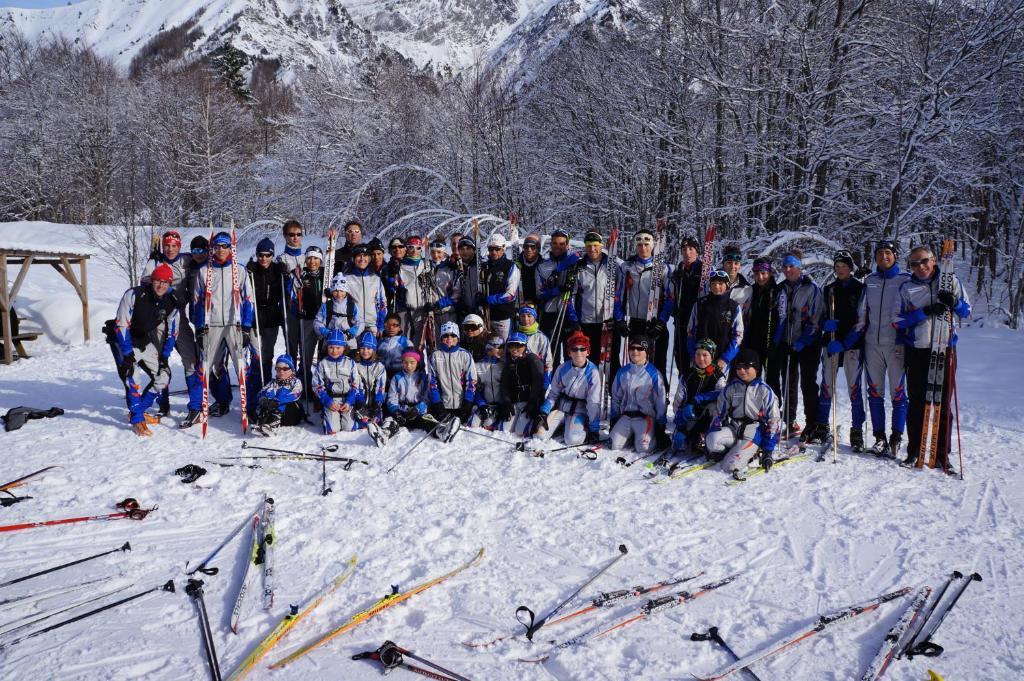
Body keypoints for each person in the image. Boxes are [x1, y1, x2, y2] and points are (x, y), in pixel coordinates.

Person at [894, 245, 970, 470]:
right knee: (917, 403)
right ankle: (915, 451)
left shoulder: (950, 281)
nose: (921, 267)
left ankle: (941, 455)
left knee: (942, 403)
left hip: (944, 349)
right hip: (917, 350)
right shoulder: (907, 287)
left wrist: (954, 303)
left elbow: (967, 311)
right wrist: (924, 312)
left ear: (934, 260)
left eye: (924, 261)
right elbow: (897, 320)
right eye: (915, 263)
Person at [852, 240, 910, 457]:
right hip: (872, 345)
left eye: (888, 253)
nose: (883, 257)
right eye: (879, 253)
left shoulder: (905, 280)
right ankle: (879, 438)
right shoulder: (871, 280)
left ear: (895, 255)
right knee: (875, 393)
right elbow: (862, 312)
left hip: (896, 345)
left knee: (898, 393)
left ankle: (896, 436)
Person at [193, 231, 255, 420]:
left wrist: (245, 326)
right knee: (212, 366)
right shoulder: (204, 271)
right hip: (212, 324)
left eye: (225, 246)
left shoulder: (240, 270)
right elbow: (196, 301)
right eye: (217, 246)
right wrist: (199, 327)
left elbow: (249, 300)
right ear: (213, 248)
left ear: (230, 248)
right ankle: (222, 401)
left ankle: (250, 406)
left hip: (234, 324)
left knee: (242, 366)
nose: (221, 250)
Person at [141, 229, 201, 420]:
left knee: (191, 359)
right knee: (160, 362)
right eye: (167, 245)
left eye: (174, 245)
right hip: (158, 319)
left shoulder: (185, 260)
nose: (170, 249)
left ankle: (196, 406)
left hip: (179, 317)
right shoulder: (155, 262)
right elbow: (144, 283)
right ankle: (163, 404)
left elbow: (204, 257)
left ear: (179, 246)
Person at [114, 264, 179, 436]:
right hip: (123, 341)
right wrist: (127, 354)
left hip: (143, 340)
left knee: (164, 375)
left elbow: (173, 332)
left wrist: (165, 356)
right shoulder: (135, 294)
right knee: (133, 378)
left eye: (165, 282)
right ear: (152, 280)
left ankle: (138, 411)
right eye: (158, 280)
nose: (161, 285)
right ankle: (137, 420)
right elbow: (121, 325)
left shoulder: (171, 302)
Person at [811, 250, 866, 448]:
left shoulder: (860, 289)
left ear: (851, 268)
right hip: (831, 342)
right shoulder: (829, 289)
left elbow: (862, 320)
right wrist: (826, 323)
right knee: (827, 385)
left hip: (852, 345)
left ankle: (857, 429)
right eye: (837, 267)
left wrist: (846, 342)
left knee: (854, 387)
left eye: (844, 266)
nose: (840, 270)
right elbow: (820, 316)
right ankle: (822, 425)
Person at [706, 348, 781, 480]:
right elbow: (719, 414)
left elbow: (774, 421)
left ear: (756, 368)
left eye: (746, 367)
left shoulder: (765, 391)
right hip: (734, 429)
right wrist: (712, 431)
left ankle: (752, 452)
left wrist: (768, 451)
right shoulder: (731, 388)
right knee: (711, 441)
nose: (741, 371)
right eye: (739, 367)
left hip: (752, 433)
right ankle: (729, 451)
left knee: (729, 466)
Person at [613, 228, 674, 378]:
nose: (643, 248)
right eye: (639, 244)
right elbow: (616, 296)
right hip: (635, 324)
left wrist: (661, 322)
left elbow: (670, 298)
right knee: (636, 365)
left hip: (655, 324)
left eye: (647, 244)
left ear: (653, 246)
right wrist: (620, 319)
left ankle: (661, 399)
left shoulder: (663, 268)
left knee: (658, 365)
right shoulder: (626, 267)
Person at [776, 251, 823, 440]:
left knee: (808, 383)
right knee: (789, 381)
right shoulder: (781, 289)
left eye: (791, 266)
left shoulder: (811, 288)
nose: (788, 270)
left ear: (799, 267)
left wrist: (804, 340)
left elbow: (817, 317)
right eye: (785, 266)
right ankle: (789, 420)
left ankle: (813, 422)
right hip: (787, 343)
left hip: (808, 344)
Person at [535, 331, 602, 446]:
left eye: (582, 349)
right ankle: (563, 426)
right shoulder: (562, 368)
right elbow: (553, 394)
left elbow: (593, 402)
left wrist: (594, 429)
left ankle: (579, 427)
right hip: (561, 409)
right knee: (539, 435)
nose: (578, 352)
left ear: (588, 352)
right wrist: (544, 412)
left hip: (579, 412)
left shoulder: (593, 372)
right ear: (569, 352)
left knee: (573, 440)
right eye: (574, 349)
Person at [609, 335, 669, 454]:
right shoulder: (622, 372)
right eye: (632, 348)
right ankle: (632, 435)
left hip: (645, 418)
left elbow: (660, 400)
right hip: (626, 417)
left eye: (640, 349)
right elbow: (616, 397)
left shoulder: (654, 374)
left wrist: (660, 424)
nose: (635, 351)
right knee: (614, 445)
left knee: (644, 449)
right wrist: (614, 418)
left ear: (647, 352)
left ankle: (645, 436)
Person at [567, 230, 615, 367]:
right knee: (586, 358)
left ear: (601, 245)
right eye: (588, 245)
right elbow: (571, 296)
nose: (592, 249)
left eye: (595, 245)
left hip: (606, 322)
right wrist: (574, 320)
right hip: (585, 321)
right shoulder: (579, 267)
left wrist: (616, 317)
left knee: (608, 359)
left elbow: (618, 294)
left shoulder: (612, 266)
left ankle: (608, 386)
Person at [671, 338, 727, 454]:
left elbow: (721, 394)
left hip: (709, 417)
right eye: (698, 354)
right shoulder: (687, 375)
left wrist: (698, 399)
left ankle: (707, 435)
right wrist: (680, 425)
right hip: (690, 414)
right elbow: (678, 401)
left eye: (705, 355)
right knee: (680, 445)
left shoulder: (718, 376)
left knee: (714, 406)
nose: (701, 358)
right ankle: (688, 434)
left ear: (712, 356)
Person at [741, 256, 786, 401]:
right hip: (753, 343)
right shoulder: (751, 290)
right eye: (757, 273)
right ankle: (753, 410)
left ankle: (774, 411)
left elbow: (782, 318)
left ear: (770, 273)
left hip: (771, 343)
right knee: (753, 378)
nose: (760, 277)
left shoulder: (778, 291)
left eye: (764, 273)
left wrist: (775, 342)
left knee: (772, 380)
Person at [685, 270, 744, 373]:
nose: (716, 286)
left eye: (720, 283)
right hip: (700, 358)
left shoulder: (734, 307)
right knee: (697, 386)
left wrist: (725, 358)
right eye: (713, 283)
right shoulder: (700, 304)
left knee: (718, 387)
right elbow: (690, 331)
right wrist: (693, 353)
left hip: (721, 360)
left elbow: (738, 336)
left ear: (727, 285)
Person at [247, 237, 286, 388]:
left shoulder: (277, 270)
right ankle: (255, 381)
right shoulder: (252, 270)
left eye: (267, 255)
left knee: (268, 353)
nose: (264, 258)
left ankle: (267, 381)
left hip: (271, 314)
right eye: (260, 255)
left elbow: (288, 289)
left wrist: (285, 273)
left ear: (272, 255)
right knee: (256, 353)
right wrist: (248, 270)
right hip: (255, 314)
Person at [536, 228, 579, 363]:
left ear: (567, 245)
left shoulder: (574, 263)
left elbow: (579, 288)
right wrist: (558, 290)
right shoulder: (543, 266)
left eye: (561, 244)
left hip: (568, 314)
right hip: (549, 314)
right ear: (550, 244)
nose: (558, 247)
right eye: (555, 243)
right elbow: (540, 293)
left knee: (569, 356)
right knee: (550, 356)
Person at [427, 321, 477, 434]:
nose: (449, 338)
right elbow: (431, 382)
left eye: (453, 335)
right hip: (443, 406)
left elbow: (472, 381)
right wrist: (437, 404)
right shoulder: (435, 356)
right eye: (445, 335)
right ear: (441, 338)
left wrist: (468, 402)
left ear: (458, 338)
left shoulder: (465, 355)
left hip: (462, 405)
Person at [496, 331, 546, 437]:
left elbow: (538, 382)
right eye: (511, 345)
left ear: (525, 345)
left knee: (520, 431)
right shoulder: (509, 362)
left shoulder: (532, 359)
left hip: (528, 402)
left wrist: (533, 401)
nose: (514, 349)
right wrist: (506, 402)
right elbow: (504, 384)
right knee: (504, 430)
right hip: (514, 401)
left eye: (518, 345)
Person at [313, 329, 359, 434]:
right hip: (331, 399)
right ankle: (327, 414)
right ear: (327, 347)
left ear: (344, 347)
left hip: (346, 398)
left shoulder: (350, 362)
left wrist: (349, 401)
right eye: (331, 347)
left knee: (349, 428)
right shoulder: (323, 363)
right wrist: (327, 401)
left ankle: (348, 414)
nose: (334, 351)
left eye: (338, 348)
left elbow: (356, 383)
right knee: (333, 430)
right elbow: (317, 385)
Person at [294, 245, 326, 396]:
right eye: (309, 258)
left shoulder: (326, 275)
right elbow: (292, 296)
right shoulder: (301, 275)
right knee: (306, 356)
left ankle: (321, 387)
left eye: (316, 258)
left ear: (320, 260)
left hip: (324, 321)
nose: (312, 261)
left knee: (324, 355)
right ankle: (305, 388)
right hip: (307, 320)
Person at [389, 235, 433, 341]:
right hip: (405, 310)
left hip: (422, 310)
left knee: (420, 342)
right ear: (406, 248)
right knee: (404, 340)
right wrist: (393, 284)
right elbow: (394, 287)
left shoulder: (426, 265)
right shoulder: (400, 266)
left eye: (418, 248)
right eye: (411, 247)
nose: (414, 251)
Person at [671, 234, 703, 374]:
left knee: (697, 360)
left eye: (691, 248)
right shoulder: (678, 272)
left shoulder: (705, 270)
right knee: (681, 360)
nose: (687, 252)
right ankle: (683, 391)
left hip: (698, 323)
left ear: (697, 251)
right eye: (684, 249)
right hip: (681, 322)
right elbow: (670, 296)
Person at [479, 233, 520, 339]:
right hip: (486, 316)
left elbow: (510, 295)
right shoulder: (485, 267)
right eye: (491, 249)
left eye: (497, 249)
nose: (493, 252)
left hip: (503, 316)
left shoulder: (511, 267)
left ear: (503, 249)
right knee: (488, 348)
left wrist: (489, 299)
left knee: (503, 348)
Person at [252, 354, 303, 436]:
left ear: (292, 370)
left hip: (291, 414)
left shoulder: (296, 382)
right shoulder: (273, 382)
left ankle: (272, 425)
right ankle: (262, 423)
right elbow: (262, 391)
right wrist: (264, 398)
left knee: (282, 392)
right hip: (277, 413)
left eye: (285, 369)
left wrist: (278, 401)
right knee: (269, 393)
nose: (281, 371)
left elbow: (295, 394)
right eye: (278, 369)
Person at [277, 220, 305, 361]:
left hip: (306, 307)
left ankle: (304, 375)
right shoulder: (280, 259)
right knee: (292, 343)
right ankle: (291, 372)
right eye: (291, 234)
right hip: (289, 307)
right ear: (285, 236)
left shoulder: (307, 258)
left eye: (298, 234)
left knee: (305, 344)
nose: (295, 237)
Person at [345, 243, 387, 337]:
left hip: (372, 326)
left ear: (369, 258)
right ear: (353, 258)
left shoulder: (376, 279)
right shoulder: (346, 278)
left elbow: (382, 303)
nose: (362, 259)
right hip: (352, 325)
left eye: (365, 256)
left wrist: (380, 326)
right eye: (359, 256)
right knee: (352, 351)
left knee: (370, 351)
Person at [386, 349, 433, 431]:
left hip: (417, 411)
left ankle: (439, 431)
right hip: (401, 410)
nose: (408, 365)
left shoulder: (423, 377)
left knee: (427, 422)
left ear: (417, 363)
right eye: (405, 362)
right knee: (391, 421)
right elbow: (392, 397)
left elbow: (426, 397)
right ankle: (385, 433)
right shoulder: (397, 377)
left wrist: (418, 409)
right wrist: (395, 411)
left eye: (412, 362)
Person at [314, 273, 361, 353]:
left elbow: (360, 323)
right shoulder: (326, 306)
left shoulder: (352, 306)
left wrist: (350, 333)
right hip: (330, 344)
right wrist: (327, 333)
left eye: (342, 291)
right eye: (335, 291)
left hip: (348, 343)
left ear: (346, 291)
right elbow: (317, 322)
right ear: (332, 291)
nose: (339, 294)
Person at [352, 330, 387, 427]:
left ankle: (375, 416)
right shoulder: (355, 365)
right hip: (360, 402)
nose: (365, 351)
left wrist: (378, 401)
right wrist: (359, 400)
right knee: (360, 423)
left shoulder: (379, 366)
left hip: (374, 403)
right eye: (362, 348)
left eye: (369, 348)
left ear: (374, 349)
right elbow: (355, 383)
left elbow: (381, 386)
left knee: (377, 422)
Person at [471, 333, 506, 429]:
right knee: (472, 425)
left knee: (490, 426)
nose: (498, 351)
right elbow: (474, 388)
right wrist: (481, 404)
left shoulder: (505, 365)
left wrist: (503, 404)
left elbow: (509, 389)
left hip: (500, 405)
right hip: (484, 405)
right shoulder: (478, 365)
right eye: (495, 347)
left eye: (501, 347)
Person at [516, 304, 554, 388]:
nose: (526, 319)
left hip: (536, 373)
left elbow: (548, 363)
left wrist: (546, 381)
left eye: (529, 316)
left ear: (534, 317)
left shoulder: (542, 337)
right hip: (518, 373)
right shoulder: (514, 335)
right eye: (522, 316)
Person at [377, 313, 413, 380]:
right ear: (384, 327)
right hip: (383, 375)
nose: (391, 328)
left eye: (394, 325)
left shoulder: (405, 342)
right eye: (388, 325)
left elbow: (412, 360)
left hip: (400, 375)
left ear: (399, 328)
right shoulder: (380, 343)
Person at [455, 237, 482, 322]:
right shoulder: (457, 267)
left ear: (474, 250)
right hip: (465, 312)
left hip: (482, 310)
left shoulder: (482, 265)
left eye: (468, 248)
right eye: (462, 249)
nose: (465, 252)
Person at [721, 245, 752, 315]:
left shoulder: (747, 289)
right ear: (723, 264)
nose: (733, 266)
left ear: (740, 266)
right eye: (729, 263)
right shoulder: (712, 284)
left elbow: (747, 315)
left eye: (736, 263)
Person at [516, 233, 544, 306]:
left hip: (538, 305)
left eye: (533, 247)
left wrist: (535, 301)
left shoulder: (543, 266)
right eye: (526, 247)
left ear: (538, 249)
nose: (529, 250)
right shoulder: (516, 265)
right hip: (520, 306)